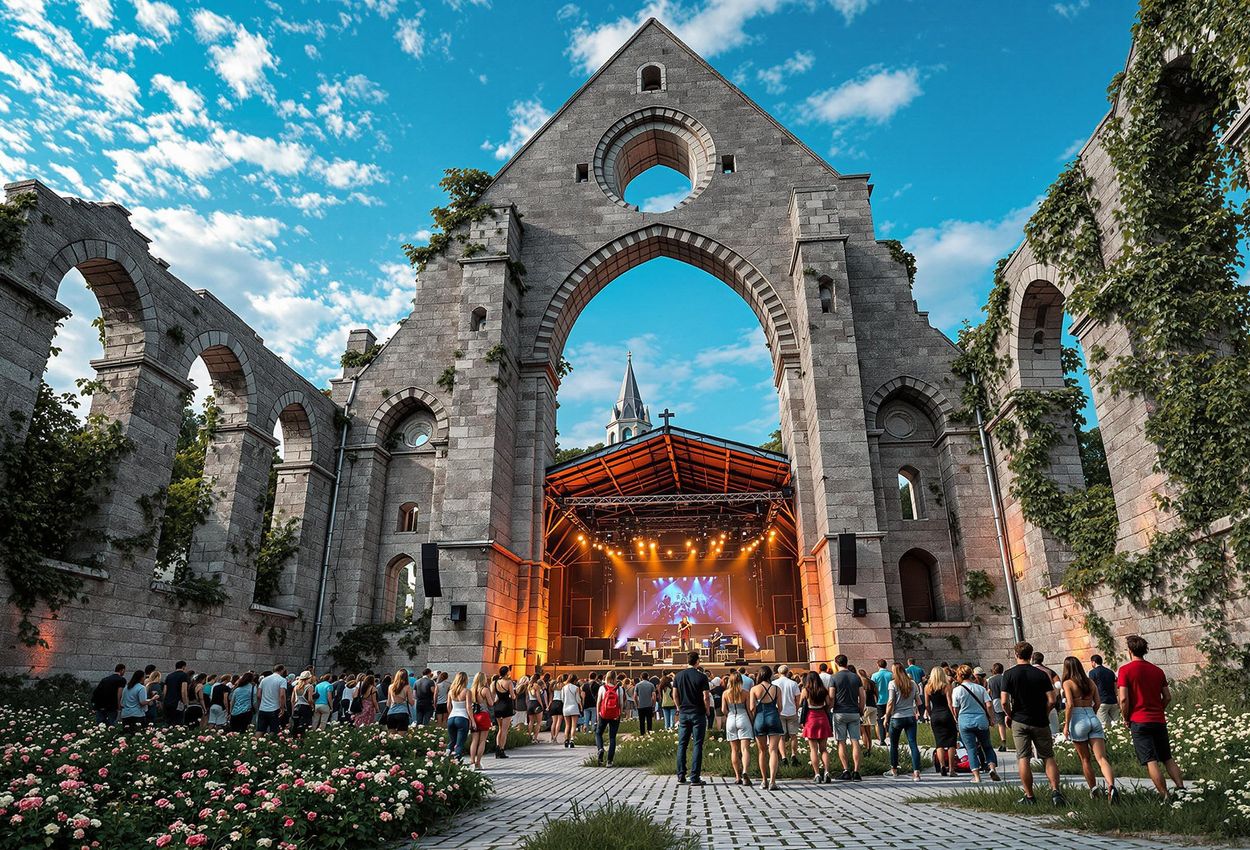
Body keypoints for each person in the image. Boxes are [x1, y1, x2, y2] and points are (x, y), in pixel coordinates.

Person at [1117, 634, 1185, 800]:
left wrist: (1126, 717)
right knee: (1167, 757)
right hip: (1158, 719)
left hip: (1139, 720)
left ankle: (1165, 795)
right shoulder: (1157, 670)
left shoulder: (1125, 670)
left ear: (1130, 651)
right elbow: (1167, 696)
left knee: (1150, 759)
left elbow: (1124, 698)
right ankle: (1181, 788)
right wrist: (1158, 709)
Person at [1002, 641, 1065, 806]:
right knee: (1048, 756)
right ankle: (1056, 792)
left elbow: (1003, 702)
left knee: (1023, 757)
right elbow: (1052, 699)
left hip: (1020, 720)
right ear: (1031, 655)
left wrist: (1010, 715)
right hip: (1040, 720)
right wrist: (1044, 712)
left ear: (1016, 655)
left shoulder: (1008, 674)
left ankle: (1029, 796)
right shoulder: (1041, 674)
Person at [1061, 656, 1118, 802]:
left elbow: (1069, 705)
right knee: (1101, 758)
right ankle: (1111, 786)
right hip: (1092, 716)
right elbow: (1098, 702)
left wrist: (1066, 724)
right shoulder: (1090, 682)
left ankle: (1094, 790)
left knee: (1085, 759)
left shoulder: (1067, 683)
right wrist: (1091, 712)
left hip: (1078, 719)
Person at [951, 664, 1001, 783]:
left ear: (959, 675)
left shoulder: (957, 690)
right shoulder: (980, 688)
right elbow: (989, 705)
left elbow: (955, 708)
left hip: (965, 722)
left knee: (971, 749)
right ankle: (992, 768)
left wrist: (958, 717)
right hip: (981, 721)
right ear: (971, 675)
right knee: (987, 747)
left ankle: (977, 777)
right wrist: (992, 718)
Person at [674, 650, 711, 786]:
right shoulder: (702, 677)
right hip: (698, 713)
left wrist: (678, 708)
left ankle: (681, 775)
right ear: (698, 661)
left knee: (682, 744)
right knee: (697, 744)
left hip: (684, 713)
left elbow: (675, 694)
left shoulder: (678, 676)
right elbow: (706, 696)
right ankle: (695, 777)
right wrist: (707, 710)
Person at [884, 661, 921, 781]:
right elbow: (919, 701)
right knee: (913, 744)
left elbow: (890, 701)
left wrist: (886, 717)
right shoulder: (912, 683)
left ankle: (894, 769)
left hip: (897, 717)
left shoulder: (892, 684)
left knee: (894, 744)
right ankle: (916, 773)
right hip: (910, 716)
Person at [749, 665, 784, 791]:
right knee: (773, 750)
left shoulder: (754, 689)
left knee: (762, 751)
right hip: (773, 717)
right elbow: (780, 707)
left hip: (760, 718)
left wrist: (755, 717)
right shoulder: (776, 688)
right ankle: (772, 782)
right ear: (770, 675)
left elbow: (752, 707)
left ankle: (763, 780)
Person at [831, 654, 864, 781]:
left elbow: (832, 696)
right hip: (854, 711)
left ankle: (846, 770)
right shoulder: (856, 677)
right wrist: (860, 709)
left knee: (841, 741)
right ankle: (856, 771)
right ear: (847, 662)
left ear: (836, 663)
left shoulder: (834, 678)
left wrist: (830, 707)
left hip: (840, 711)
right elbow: (862, 696)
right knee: (855, 741)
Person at [800, 670, 833, 783]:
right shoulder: (823, 690)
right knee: (824, 749)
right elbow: (828, 703)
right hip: (822, 717)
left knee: (813, 749)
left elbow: (801, 703)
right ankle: (827, 771)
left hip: (811, 718)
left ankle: (817, 774)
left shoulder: (806, 690)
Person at [722, 671, 754, 786]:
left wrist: (728, 715)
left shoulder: (725, 693)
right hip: (743, 717)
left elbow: (723, 710)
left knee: (734, 750)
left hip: (731, 718)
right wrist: (752, 720)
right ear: (741, 681)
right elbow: (749, 709)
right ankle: (745, 771)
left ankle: (737, 776)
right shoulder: (745, 693)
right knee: (745, 749)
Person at [925, 666, 957, 776]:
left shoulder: (928, 687)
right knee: (951, 742)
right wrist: (954, 715)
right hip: (946, 714)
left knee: (939, 743)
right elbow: (949, 702)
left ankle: (942, 765)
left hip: (935, 715)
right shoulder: (946, 686)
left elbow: (927, 705)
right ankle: (952, 769)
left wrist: (930, 715)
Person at [774, 664, 802, 766]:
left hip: (779, 711)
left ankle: (783, 757)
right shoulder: (793, 683)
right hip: (792, 711)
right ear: (787, 672)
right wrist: (796, 708)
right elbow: (798, 698)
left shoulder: (774, 683)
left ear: (778, 673)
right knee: (793, 735)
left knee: (781, 736)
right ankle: (794, 755)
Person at [595, 670, 625, 766]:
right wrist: (620, 714)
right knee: (612, 737)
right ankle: (610, 761)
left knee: (598, 733)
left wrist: (598, 714)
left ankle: (600, 749)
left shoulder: (602, 688)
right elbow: (621, 703)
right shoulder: (619, 689)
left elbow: (599, 702)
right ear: (615, 678)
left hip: (603, 714)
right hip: (615, 715)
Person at [1032, 651, 1063, 739]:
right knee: (1054, 728)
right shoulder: (1049, 671)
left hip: (1034, 705)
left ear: (1032, 659)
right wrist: (1056, 695)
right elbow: (1058, 685)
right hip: (1050, 702)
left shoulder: (1028, 670)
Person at [468, 672, 495, 770]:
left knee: (474, 740)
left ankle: (472, 761)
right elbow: (491, 703)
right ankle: (478, 763)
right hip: (483, 715)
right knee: (482, 740)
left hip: (474, 715)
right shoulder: (485, 690)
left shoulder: (471, 690)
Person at [1088, 654, 1119, 730]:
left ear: (1093, 662)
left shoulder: (1092, 672)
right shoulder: (1110, 672)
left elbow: (1092, 687)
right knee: (1118, 725)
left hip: (1101, 701)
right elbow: (1115, 688)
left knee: (1104, 727)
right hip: (1113, 701)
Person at [445, 672, 471, 760]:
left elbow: (448, 705)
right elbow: (468, 707)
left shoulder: (451, 691)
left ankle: (446, 757)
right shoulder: (467, 691)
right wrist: (472, 720)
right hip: (462, 717)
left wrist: (450, 714)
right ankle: (457, 760)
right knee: (459, 743)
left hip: (451, 717)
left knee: (452, 741)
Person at [493, 665, 516, 759]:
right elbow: (513, 696)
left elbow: (493, 695)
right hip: (507, 706)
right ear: (507, 672)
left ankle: (497, 747)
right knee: (505, 730)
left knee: (500, 729)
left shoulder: (494, 682)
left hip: (498, 706)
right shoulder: (509, 682)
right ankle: (502, 749)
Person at [256, 665, 287, 735]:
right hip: (274, 708)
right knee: (273, 730)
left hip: (263, 708)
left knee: (260, 729)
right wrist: (282, 708)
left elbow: (258, 695)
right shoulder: (282, 680)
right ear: (282, 670)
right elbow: (282, 695)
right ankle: (270, 744)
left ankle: (255, 743)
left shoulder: (264, 680)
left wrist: (262, 702)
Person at [986, 662, 1009, 751]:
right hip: (1007, 699)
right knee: (1010, 720)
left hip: (996, 701)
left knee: (1000, 724)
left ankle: (1003, 743)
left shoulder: (991, 680)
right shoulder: (1005, 678)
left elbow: (989, 692)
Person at [385, 667, 413, 733]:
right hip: (402, 713)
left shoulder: (390, 687)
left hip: (391, 713)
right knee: (401, 737)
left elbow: (388, 703)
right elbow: (411, 702)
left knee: (392, 737)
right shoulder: (407, 687)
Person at [163, 660, 190, 726]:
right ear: (183, 667)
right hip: (178, 703)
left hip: (168, 702)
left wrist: (165, 701)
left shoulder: (169, 676)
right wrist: (185, 703)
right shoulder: (184, 675)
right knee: (178, 723)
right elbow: (183, 691)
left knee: (168, 723)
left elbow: (165, 691)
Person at [871, 659, 892, 744]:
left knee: (880, 720)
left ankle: (882, 739)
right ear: (886, 665)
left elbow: (872, 688)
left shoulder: (875, 675)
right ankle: (891, 737)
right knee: (890, 719)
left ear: (878, 665)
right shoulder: (891, 674)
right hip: (890, 699)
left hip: (879, 700)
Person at [858, 668, 877, 755]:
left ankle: (866, 748)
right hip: (873, 706)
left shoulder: (861, 683)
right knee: (869, 730)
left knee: (863, 729)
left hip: (865, 707)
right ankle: (870, 747)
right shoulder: (871, 682)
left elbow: (863, 697)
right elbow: (877, 694)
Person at [290, 671, 316, 737]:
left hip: (297, 707)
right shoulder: (309, 686)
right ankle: (303, 739)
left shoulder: (296, 687)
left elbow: (292, 700)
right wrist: (312, 706)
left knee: (296, 725)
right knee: (305, 725)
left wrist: (293, 710)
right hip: (305, 707)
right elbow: (310, 699)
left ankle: (294, 739)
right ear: (309, 678)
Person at [559, 673, 581, 747]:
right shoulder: (576, 688)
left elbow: (562, 698)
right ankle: (572, 740)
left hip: (566, 707)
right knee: (573, 725)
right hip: (574, 707)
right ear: (575, 680)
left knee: (567, 725)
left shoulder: (564, 688)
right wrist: (581, 706)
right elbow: (578, 699)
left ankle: (566, 740)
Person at [525, 672, 547, 738]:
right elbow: (538, 696)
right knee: (538, 722)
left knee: (531, 721)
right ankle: (535, 737)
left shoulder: (529, 686)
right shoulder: (536, 686)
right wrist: (541, 705)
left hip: (530, 703)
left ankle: (529, 735)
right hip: (536, 703)